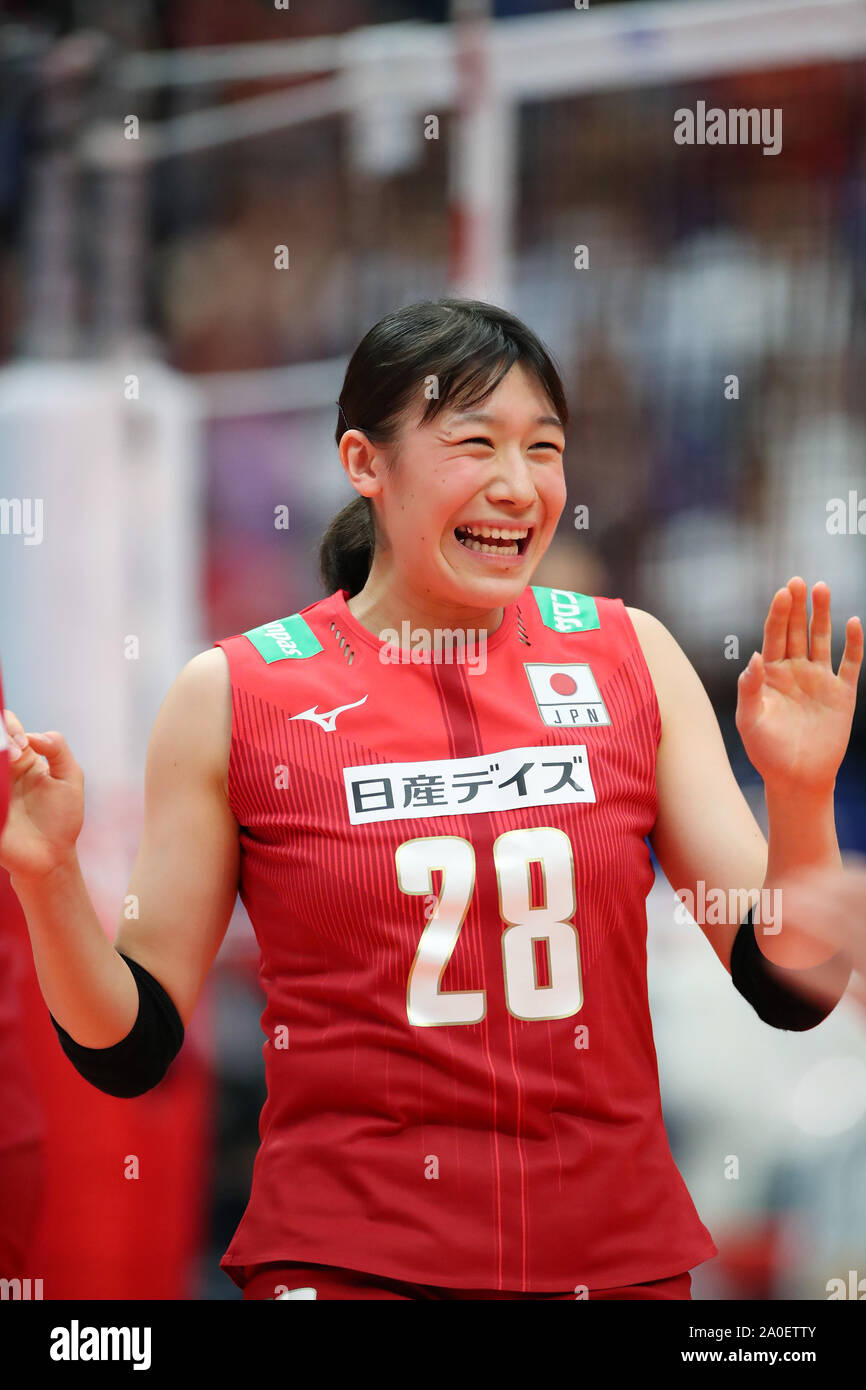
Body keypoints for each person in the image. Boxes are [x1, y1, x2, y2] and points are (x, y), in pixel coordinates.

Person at [0, 298, 861, 1302]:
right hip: (351, 1262)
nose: (515, 485)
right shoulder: (237, 693)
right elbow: (132, 1044)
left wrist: (800, 794)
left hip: (609, 1260)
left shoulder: (632, 656)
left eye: (543, 448)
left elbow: (787, 986)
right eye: (473, 444)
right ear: (364, 463)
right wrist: (49, 875)